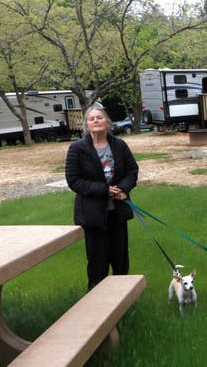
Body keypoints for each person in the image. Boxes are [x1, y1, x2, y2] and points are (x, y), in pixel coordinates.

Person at [65, 104, 139, 291]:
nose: (96, 121)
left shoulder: (119, 145)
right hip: (93, 216)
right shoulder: (77, 148)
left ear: (107, 122)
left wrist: (122, 188)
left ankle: (122, 300)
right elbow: (74, 181)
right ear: (86, 125)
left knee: (120, 262)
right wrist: (104, 190)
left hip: (117, 213)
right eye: (91, 119)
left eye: (99, 117)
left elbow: (132, 170)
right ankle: (97, 305)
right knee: (98, 264)